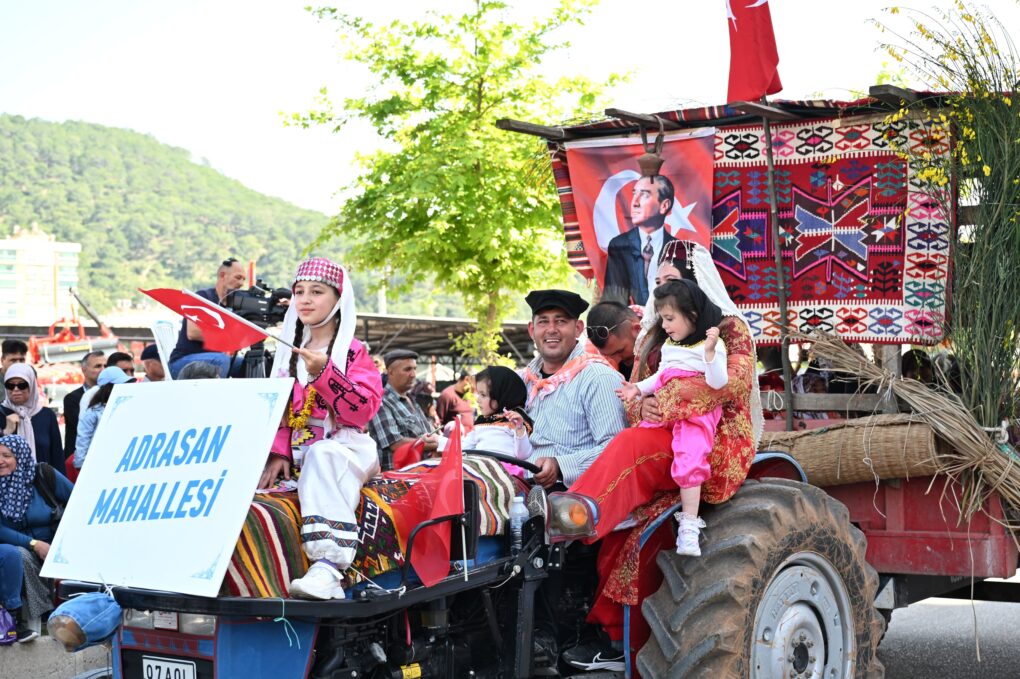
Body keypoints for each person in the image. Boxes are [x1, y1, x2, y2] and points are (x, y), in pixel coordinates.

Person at [558, 242, 762, 672]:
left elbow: (734, 384)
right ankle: (609, 637)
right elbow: (636, 391)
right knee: (620, 535)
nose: (661, 292)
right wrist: (642, 407)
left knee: (629, 449)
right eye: (657, 283)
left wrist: (662, 403)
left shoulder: (727, 330)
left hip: (709, 441)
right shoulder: (654, 333)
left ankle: (571, 518)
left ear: (694, 284)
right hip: (661, 432)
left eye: (670, 281)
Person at [259, 257, 383, 600]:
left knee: (324, 453)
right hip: (298, 454)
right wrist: (278, 451)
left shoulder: (353, 353)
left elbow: (361, 413)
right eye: (299, 292)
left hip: (344, 448)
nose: (305, 300)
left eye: (317, 291)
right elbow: (278, 410)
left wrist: (326, 373)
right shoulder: (285, 356)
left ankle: (329, 567)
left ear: (338, 299)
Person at [615, 280, 727, 556]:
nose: (664, 326)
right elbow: (660, 376)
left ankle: (689, 524)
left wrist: (711, 355)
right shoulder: (671, 345)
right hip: (667, 408)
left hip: (695, 413)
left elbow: (717, 383)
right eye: (663, 319)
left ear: (692, 315)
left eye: (669, 318)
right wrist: (637, 389)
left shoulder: (710, 345)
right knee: (640, 438)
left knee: (689, 455)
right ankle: (635, 503)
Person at [521, 289, 628, 489]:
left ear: (578, 328)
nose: (551, 329)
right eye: (543, 321)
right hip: (522, 486)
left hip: (575, 499)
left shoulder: (598, 377)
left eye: (561, 321)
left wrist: (560, 465)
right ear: (531, 330)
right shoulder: (523, 379)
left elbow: (615, 449)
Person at [0, 435, 73, 643]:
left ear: (21, 456)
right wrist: (34, 544)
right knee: (19, 555)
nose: (0, 460)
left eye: (7, 455)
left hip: (56, 546)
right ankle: (39, 615)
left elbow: (77, 502)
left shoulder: (43, 474)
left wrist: (62, 540)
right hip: (19, 549)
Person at [603, 175, 677, 306]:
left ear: (664, 205)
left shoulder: (680, 249)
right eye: (634, 194)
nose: (634, 203)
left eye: (644, 195)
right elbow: (614, 301)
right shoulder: (619, 245)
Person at [168, 257, 247, 378]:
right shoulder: (203, 297)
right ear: (222, 275)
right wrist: (227, 336)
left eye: (243, 279)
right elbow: (192, 332)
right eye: (238, 277)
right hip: (182, 362)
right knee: (222, 360)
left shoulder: (234, 306)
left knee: (246, 364)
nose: (241, 283)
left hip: (214, 358)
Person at [367, 349, 438, 471]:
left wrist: (437, 440)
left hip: (420, 475)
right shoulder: (381, 402)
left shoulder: (410, 399)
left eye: (415, 368)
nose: (413, 374)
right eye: (407, 369)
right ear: (390, 372)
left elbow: (427, 431)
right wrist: (438, 444)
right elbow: (395, 443)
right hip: (398, 482)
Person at [457, 366, 532, 476]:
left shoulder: (514, 421)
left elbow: (523, 454)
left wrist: (520, 428)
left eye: (483, 395)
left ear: (501, 395)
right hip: (482, 470)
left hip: (507, 474)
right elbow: (463, 448)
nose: (478, 399)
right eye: (478, 394)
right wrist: (439, 441)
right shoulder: (481, 423)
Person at [0, 365, 62, 470]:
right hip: (6, 484)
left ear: (32, 386)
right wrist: (6, 432)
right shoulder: (2, 413)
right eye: (10, 385)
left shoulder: (47, 415)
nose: (15, 389)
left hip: (41, 483)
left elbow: (57, 456)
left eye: (22, 385)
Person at [74, 367, 135, 470]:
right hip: (99, 465)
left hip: (124, 463)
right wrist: (81, 466)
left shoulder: (130, 408)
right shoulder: (92, 413)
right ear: (108, 388)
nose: (125, 387)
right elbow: (83, 439)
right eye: (121, 384)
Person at [62, 351, 106, 459]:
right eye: (98, 366)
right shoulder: (72, 399)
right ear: (84, 370)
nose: (103, 370)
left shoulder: (110, 395)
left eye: (105, 366)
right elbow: (86, 428)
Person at [584, 301, 642, 378]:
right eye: (608, 356)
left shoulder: (660, 334)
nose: (615, 361)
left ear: (637, 329)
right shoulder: (592, 352)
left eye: (620, 351)